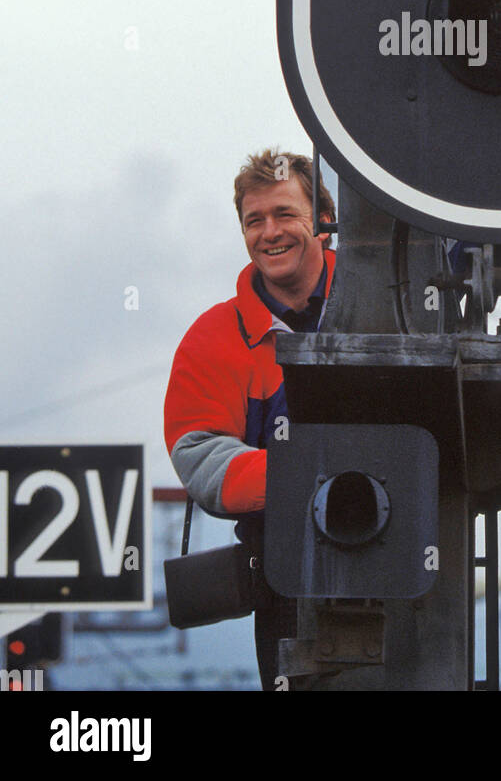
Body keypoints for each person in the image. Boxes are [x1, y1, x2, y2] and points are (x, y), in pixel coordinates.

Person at [164, 148, 336, 690]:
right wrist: (314, 482)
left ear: (324, 222)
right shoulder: (214, 338)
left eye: (285, 214)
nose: (269, 233)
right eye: (253, 220)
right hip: (289, 583)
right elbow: (201, 454)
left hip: (416, 576)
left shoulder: (397, 307)